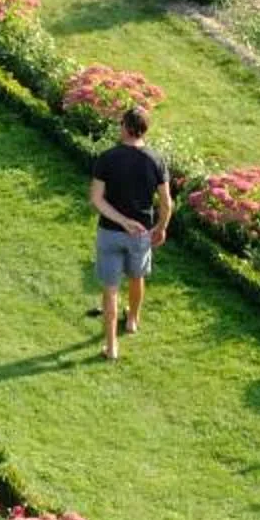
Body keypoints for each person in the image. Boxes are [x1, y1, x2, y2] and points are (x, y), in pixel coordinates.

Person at [90, 103, 173, 361]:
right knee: (137, 277)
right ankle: (133, 320)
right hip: (141, 233)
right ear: (144, 130)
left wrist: (121, 220)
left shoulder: (107, 158)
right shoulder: (156, 160)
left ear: (125, 127)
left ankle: (112, 346)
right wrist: (161, 228)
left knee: (111, 288)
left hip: (110, 232)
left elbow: (97, 199)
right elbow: (166, 202)